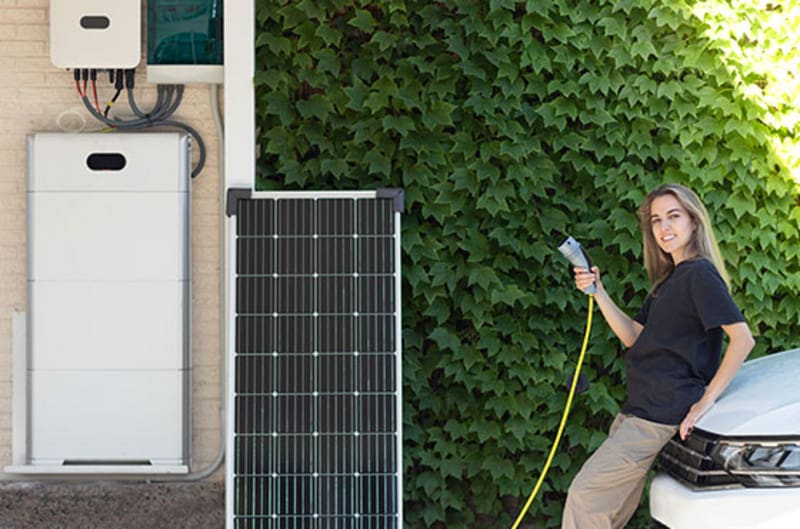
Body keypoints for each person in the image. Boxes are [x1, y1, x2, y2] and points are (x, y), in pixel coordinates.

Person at [561, 184, 755, 529]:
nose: (664, 227)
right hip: (639, 409)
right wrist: (599, 292)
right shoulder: (671, 280)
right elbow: (634, 337)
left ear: (694, 222)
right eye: (656, 220)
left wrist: (705, 401)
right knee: (608, 512)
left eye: (674, 216)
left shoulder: (700, 274)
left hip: (659, 413)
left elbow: (742, 338)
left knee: (586, 497)